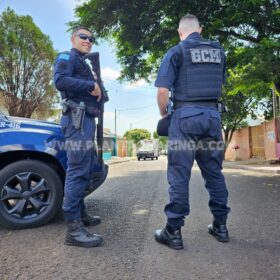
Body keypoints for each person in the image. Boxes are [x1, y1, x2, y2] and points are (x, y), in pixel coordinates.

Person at [154, 14, 230, 250]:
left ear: (180, 32)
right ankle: (221, 226)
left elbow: (162, 92)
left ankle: (173, 231)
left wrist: (165, 113)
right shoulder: (219, 52)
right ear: (201, 29)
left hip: (185, 118)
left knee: (179, 174)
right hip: (212, 118)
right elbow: (219, 84)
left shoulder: (176, 51)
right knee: (214, 172)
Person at [54, 26, 103, 248]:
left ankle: (81, 214)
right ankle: (73, 230)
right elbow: (60, 81)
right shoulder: (67, 56)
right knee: (77, 169)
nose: (88, 41)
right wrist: (90, 84)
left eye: (91, 39)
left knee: (85, 168)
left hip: (85, 120)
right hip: (76, 118)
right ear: (73, 39)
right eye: (83, 37)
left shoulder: (84, 62)